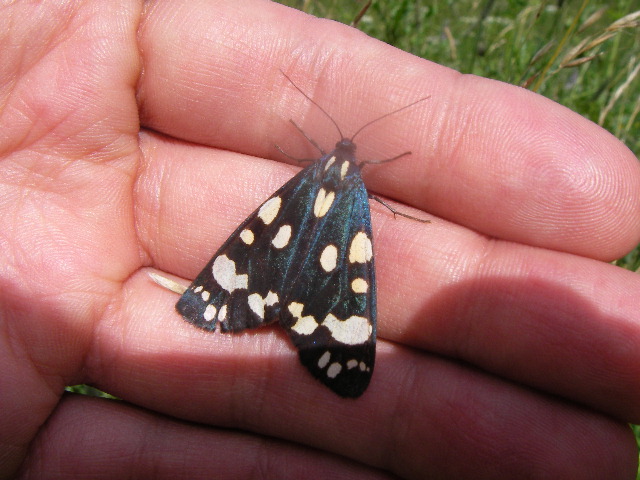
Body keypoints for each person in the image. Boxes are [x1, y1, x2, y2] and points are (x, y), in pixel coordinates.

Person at [2, 1, 639, 478]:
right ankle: (320, 331)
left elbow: (284, 219)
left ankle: (254, 306)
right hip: (338, 247)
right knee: (345, 269)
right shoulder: (355, 189)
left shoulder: (315, 180)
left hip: (293, 222)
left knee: (272, 248)